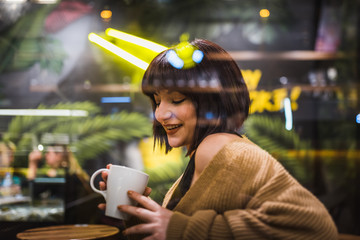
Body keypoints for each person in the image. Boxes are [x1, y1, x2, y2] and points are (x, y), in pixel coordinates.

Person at [98, 39, 338, 239]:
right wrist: (138, 215)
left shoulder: (218, 147)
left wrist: (182, 229)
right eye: (158, 100)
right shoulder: (205, 153)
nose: (160, 114)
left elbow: (316, 227)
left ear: (213, 100)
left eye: (177, 99)